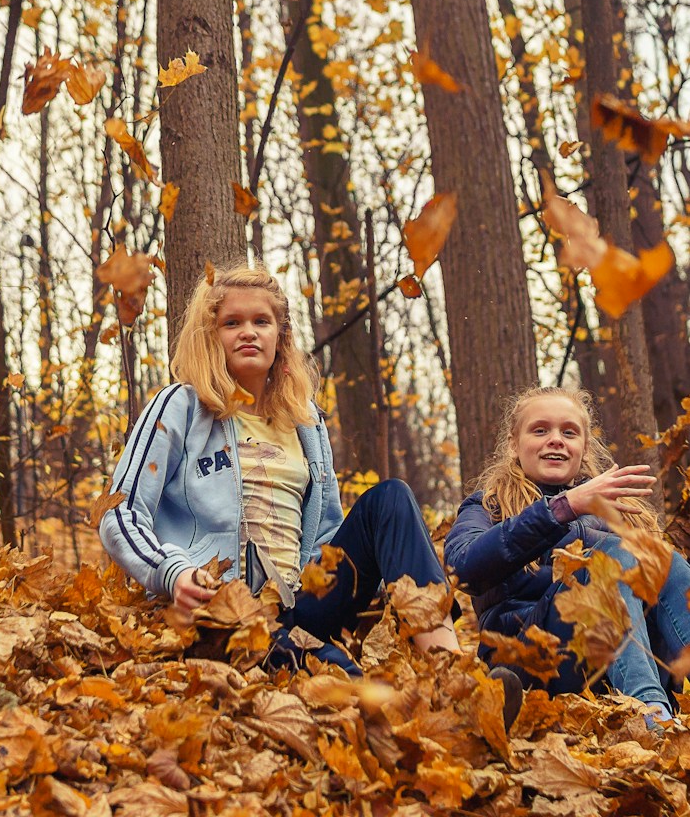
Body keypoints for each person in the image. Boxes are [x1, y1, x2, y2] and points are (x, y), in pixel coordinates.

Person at [98, 265, 493, 687]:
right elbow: (119, 514)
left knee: (391, 498)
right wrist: (172, 572)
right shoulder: (180, 406)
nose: (248, 332)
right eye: (232, 323)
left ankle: (452, 673)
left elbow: (325, 536)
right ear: (210, 336)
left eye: (261, 322)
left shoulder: (306, 423)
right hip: (220, 611)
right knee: (351, 686)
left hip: (300, 601)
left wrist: (376, 587)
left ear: (279, 336)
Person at [443, 386, 690, 782]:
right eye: (540, 430)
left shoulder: (620, 513)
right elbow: (464, 568)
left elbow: (675, 611)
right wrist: (564, 508)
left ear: (583, 448)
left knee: (662, 559)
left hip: (611, 671)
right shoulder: (486, 506)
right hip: (536, 667)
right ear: (514, 445)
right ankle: (649, 718)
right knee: (616, 556)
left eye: (569, 432)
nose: (556, 439)